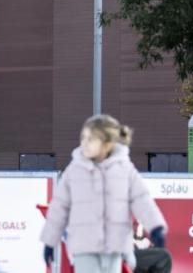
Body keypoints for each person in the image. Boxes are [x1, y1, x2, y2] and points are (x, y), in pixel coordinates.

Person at [40, 115, 167, 273]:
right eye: (83, 138)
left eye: (91, 139)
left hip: (114, 245)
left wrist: (155, 227)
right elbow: (60, 206)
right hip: (84, 245)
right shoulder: (74, 170)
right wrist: (50, 241)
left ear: (107, 144)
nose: (84, 143)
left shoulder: (124, 169)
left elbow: (141, 199)